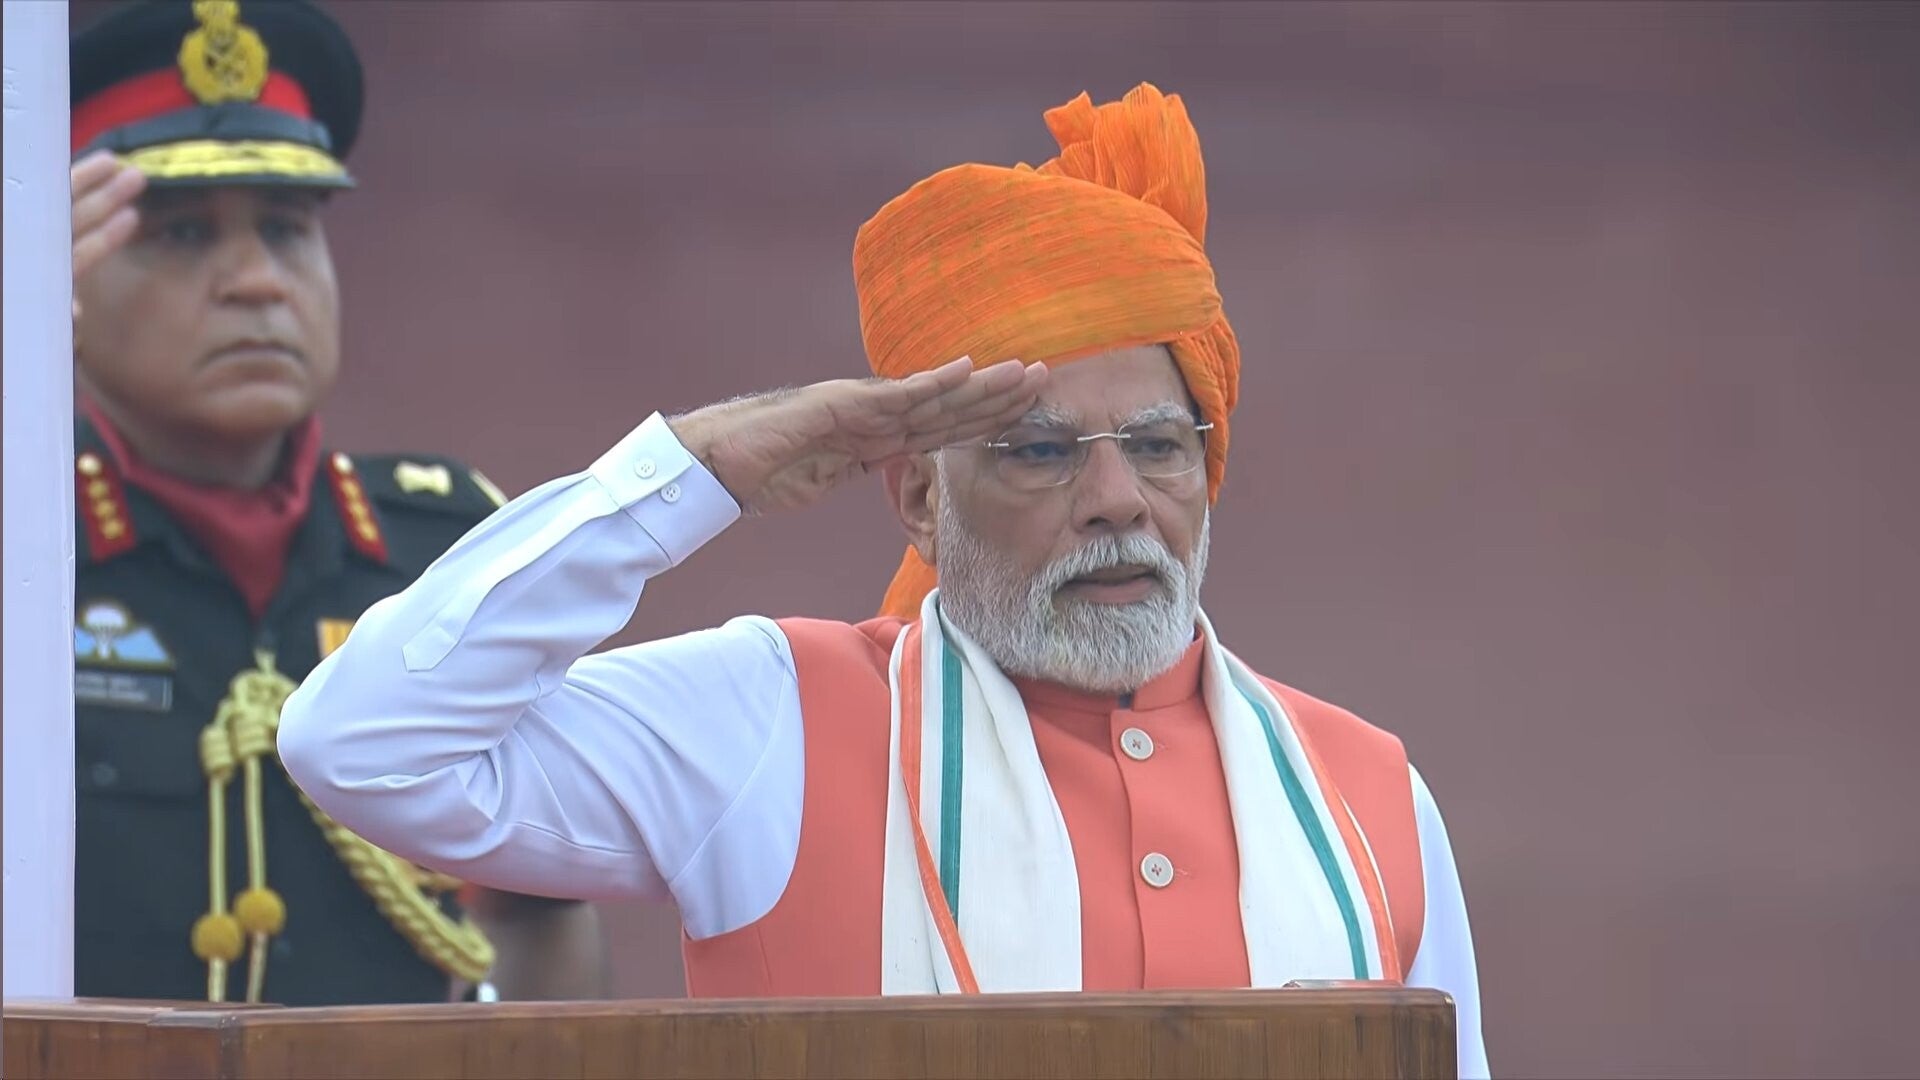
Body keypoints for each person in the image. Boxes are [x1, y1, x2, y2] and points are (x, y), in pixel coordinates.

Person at [279, 83, 1488, 1075]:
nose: (1117, 497)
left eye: (1160, 445)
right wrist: (700, 465)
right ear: (917, 498)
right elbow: (366, 745)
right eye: (1043, 451)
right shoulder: (776, 725)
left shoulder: (1369, 794)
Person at [68, 0, 606, 1005]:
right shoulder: (28, 547)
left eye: (286, 229)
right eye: (181, 234)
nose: (256, 283)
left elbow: (541, 915)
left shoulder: (445, 549)